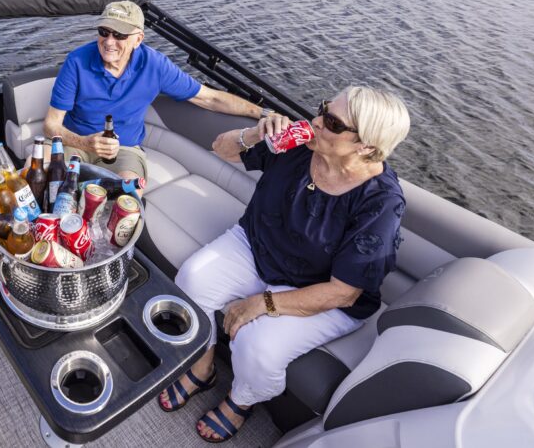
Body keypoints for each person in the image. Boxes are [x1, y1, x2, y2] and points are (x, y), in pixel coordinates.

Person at [158, 87, 409, 443]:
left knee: (255, 348)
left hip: (321, 290)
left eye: (333, 123)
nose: (317, 121)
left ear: (365, 146)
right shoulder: (295, 143)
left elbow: (344, 291)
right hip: (258, 247)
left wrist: (264, 303)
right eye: (322, 108)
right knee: (191, 281)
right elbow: (221, 148)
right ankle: (203, 367)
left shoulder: (380, 202)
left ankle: (240, 401)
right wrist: (255, 132)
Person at [44, 1, 270, 183]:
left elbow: (209, 98)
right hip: (76, 143)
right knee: (40, 174)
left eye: (120, 34)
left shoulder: (155, 65)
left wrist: (262, 114)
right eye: (104, 31)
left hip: (125, 149)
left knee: (127, 201)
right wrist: (85, 142)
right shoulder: (77, 61)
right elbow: (51, 125)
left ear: (138, 40)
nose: (109, 41)